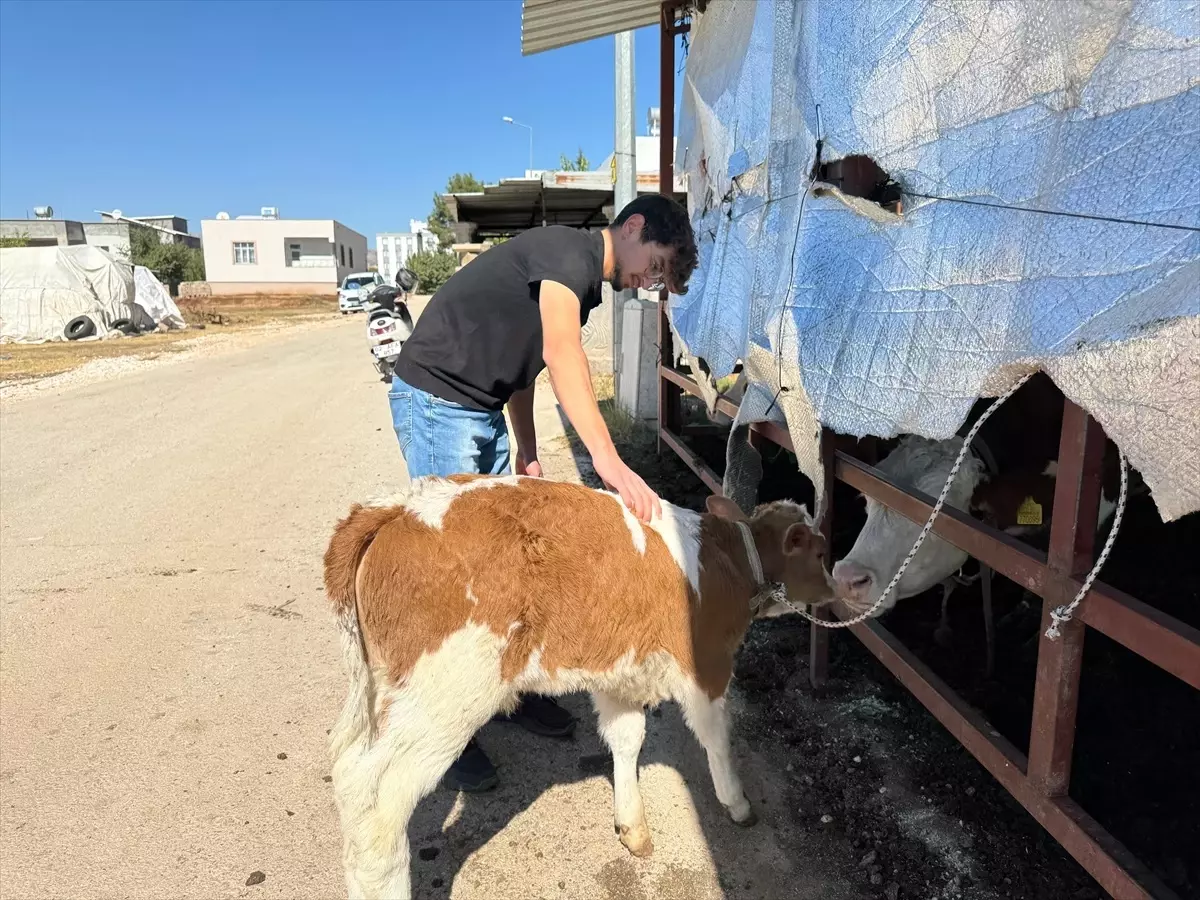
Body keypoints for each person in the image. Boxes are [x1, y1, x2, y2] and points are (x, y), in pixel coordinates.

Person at [386, 193, 699, 792]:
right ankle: (446, 728)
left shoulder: (580, 288)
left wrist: (527, 449)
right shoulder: (568, 251)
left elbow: (525, 367)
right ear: (633, 228)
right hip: (438, 399)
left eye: (659, 279)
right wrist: (608, 463)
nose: (649, 282)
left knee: (504, 564)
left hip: (479, 406)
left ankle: (505, 693)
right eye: (656, 265)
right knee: (453, 574)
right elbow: (560, 355)